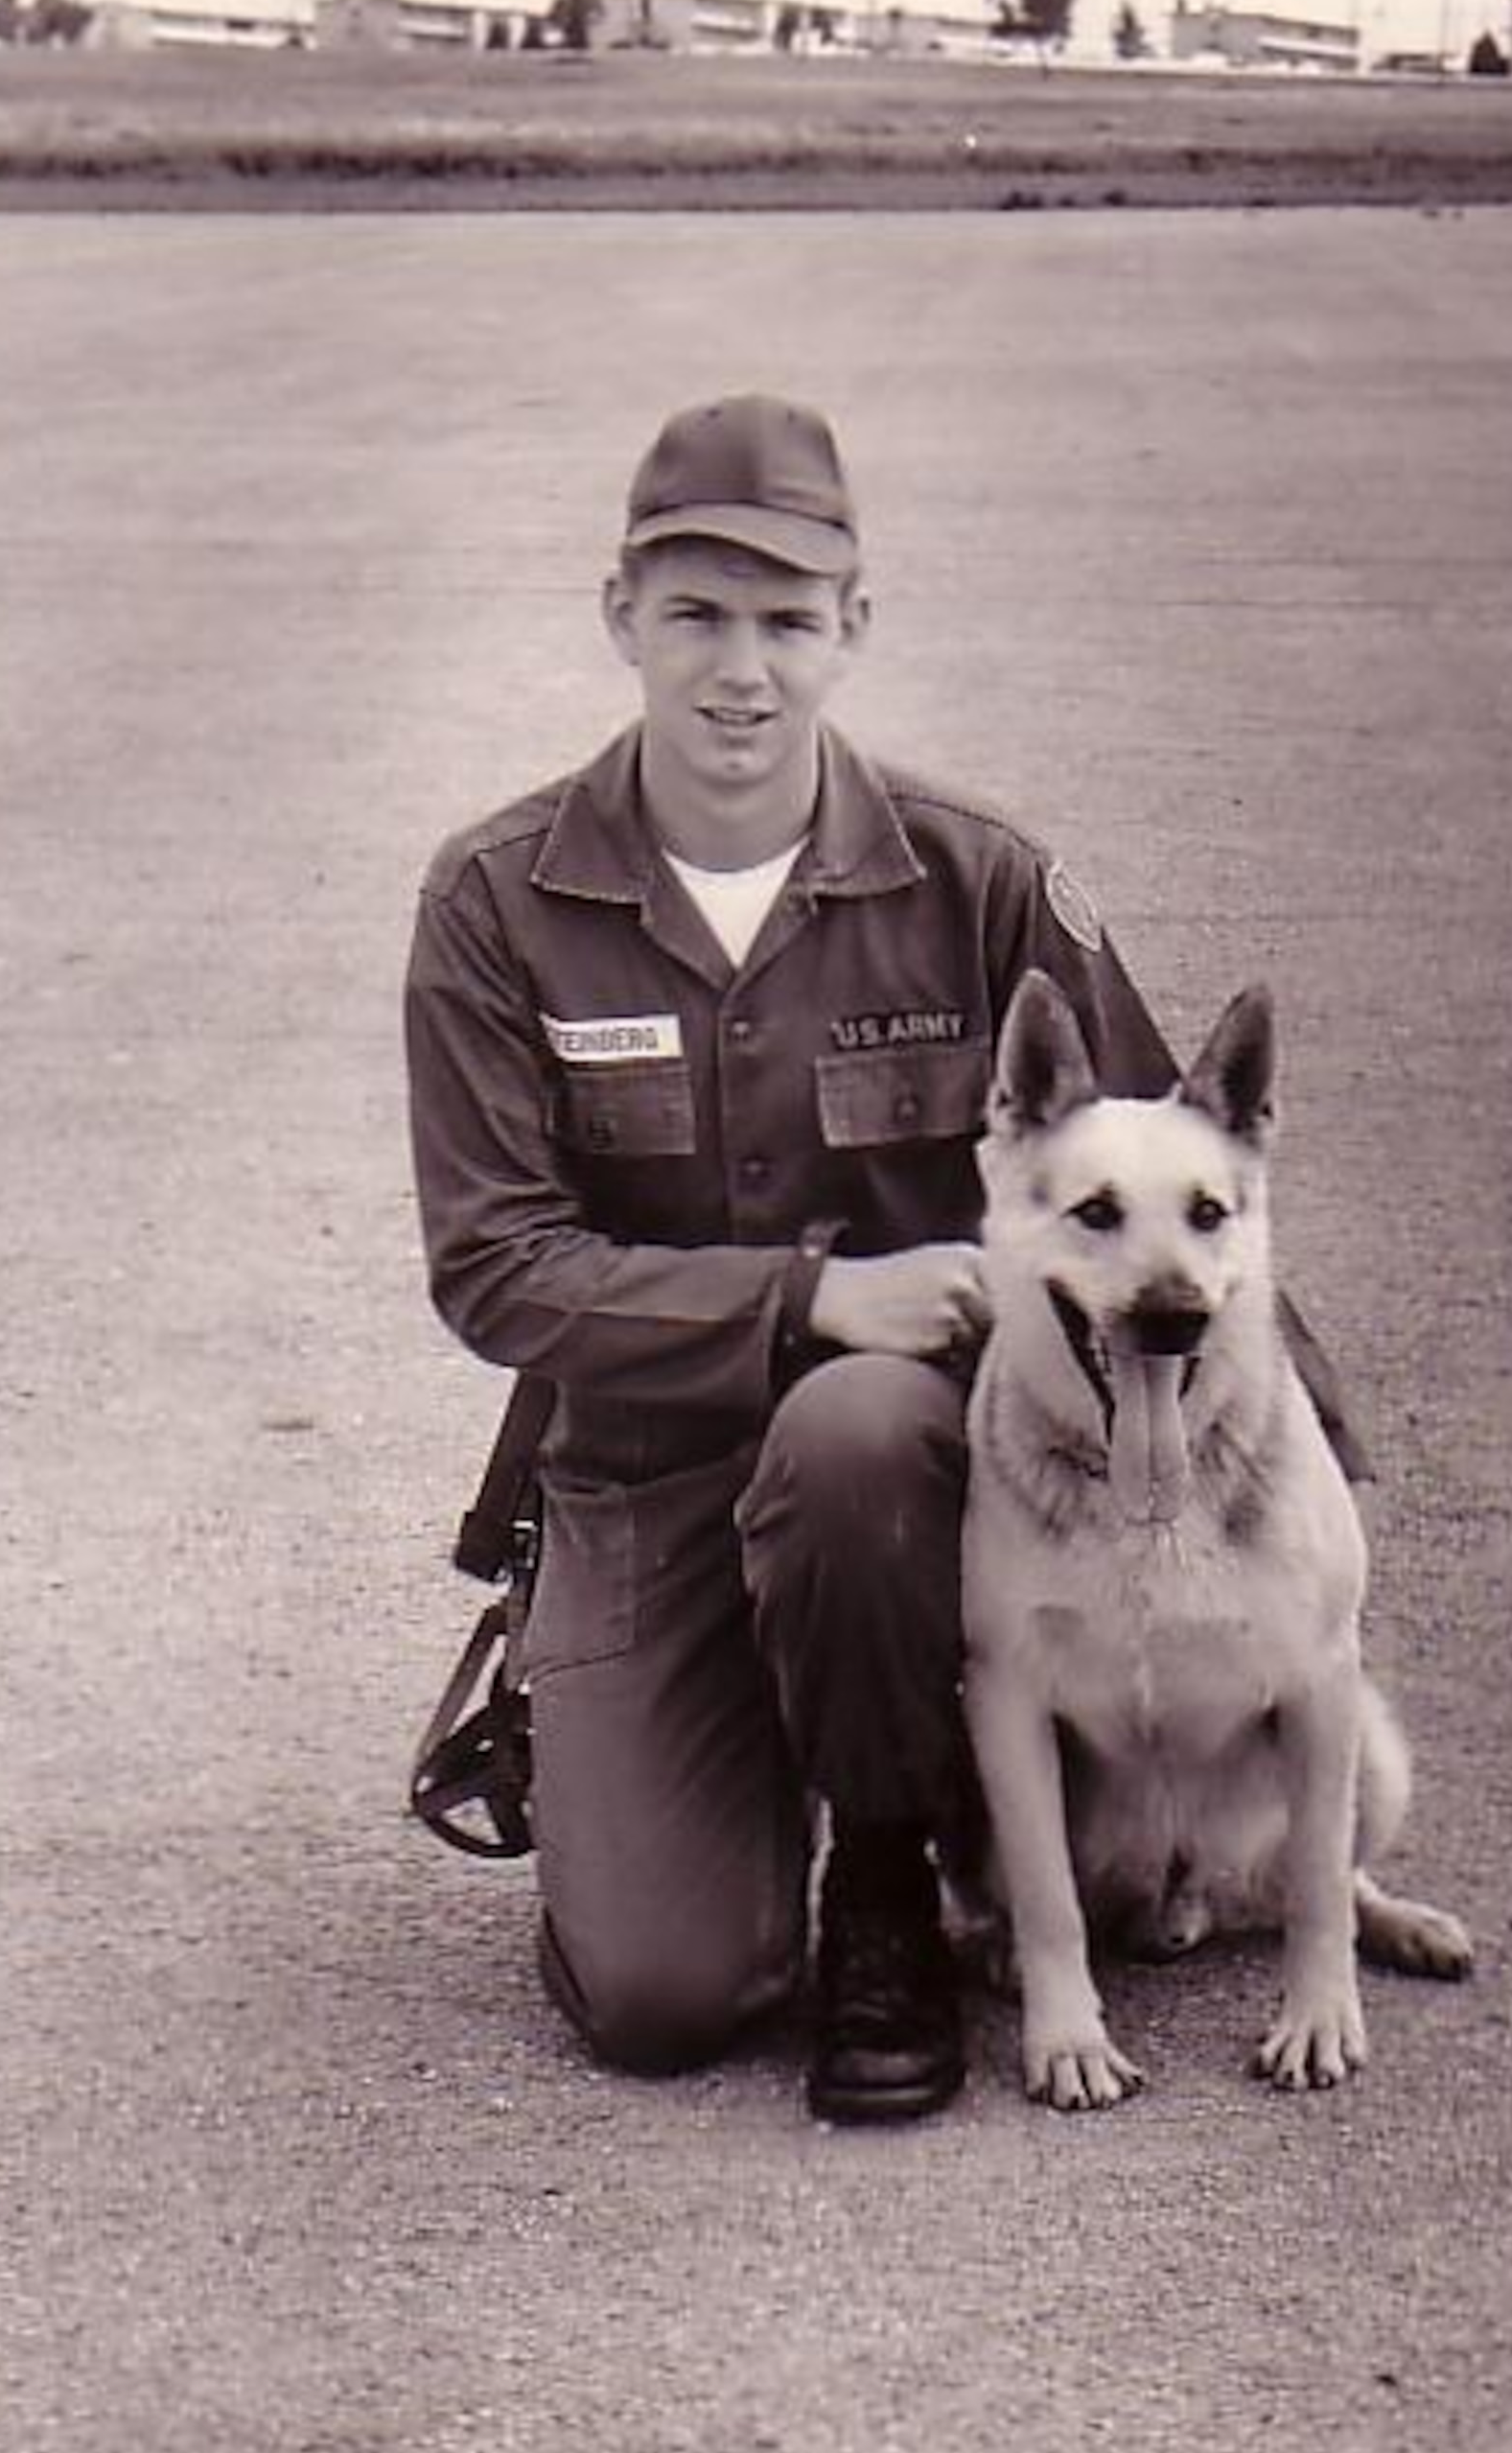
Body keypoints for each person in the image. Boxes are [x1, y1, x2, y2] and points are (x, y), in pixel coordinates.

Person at [405, 394, 1310, 2124]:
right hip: (646, 1478)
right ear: (620, 619)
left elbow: (1168, 1188)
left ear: (853, 630)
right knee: (668, 1997)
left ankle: (883, 1868)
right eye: (694, 616)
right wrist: (807, 1297)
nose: (739, 672)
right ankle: (655, 1733)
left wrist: (1288, 1469)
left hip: (914, 1490)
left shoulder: (980, 883)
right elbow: (495, 1269)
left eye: (786, 622)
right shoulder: (494, 904)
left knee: (857, 1430)